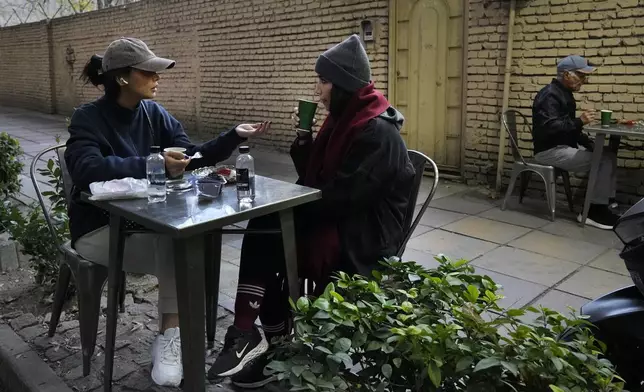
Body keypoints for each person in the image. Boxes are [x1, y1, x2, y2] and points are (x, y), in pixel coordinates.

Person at [207, 34, 416, 388]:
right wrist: (305, 138)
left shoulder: (378, 132)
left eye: (322, 81)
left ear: (343, 85)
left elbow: (343, 197)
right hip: (344, 216)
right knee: (271, 225)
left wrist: (290, 203)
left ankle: (261, 338)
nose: (317, 90)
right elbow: (313, 178)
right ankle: (271, 343)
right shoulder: (343, 121)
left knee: (273, 228)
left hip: (365, 235)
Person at [64, 37, 270, 387]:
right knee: (177, 244)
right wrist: (152, 163)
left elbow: (192, 157)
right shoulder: (88, 118)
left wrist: (233, 136)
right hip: (99, 232)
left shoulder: (154, 113)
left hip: (146, 226)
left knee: (182, 238)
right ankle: (172, 337)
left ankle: (170, 334)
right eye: (150, 71)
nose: (158, 77)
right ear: (123, 78)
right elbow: (86, 168)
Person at [532, 55, 618, 230]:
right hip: (549, 150)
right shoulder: (549, 95)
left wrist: (589, 143)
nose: (584, 81)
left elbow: (570, 129)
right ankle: (593, 212)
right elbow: (550, 127)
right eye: (581, 75)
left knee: (607, 153)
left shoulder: (564, 94)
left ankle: (606, 203)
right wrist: (580, 121)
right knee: (603, 160)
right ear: (566, 75)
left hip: (563, 146)